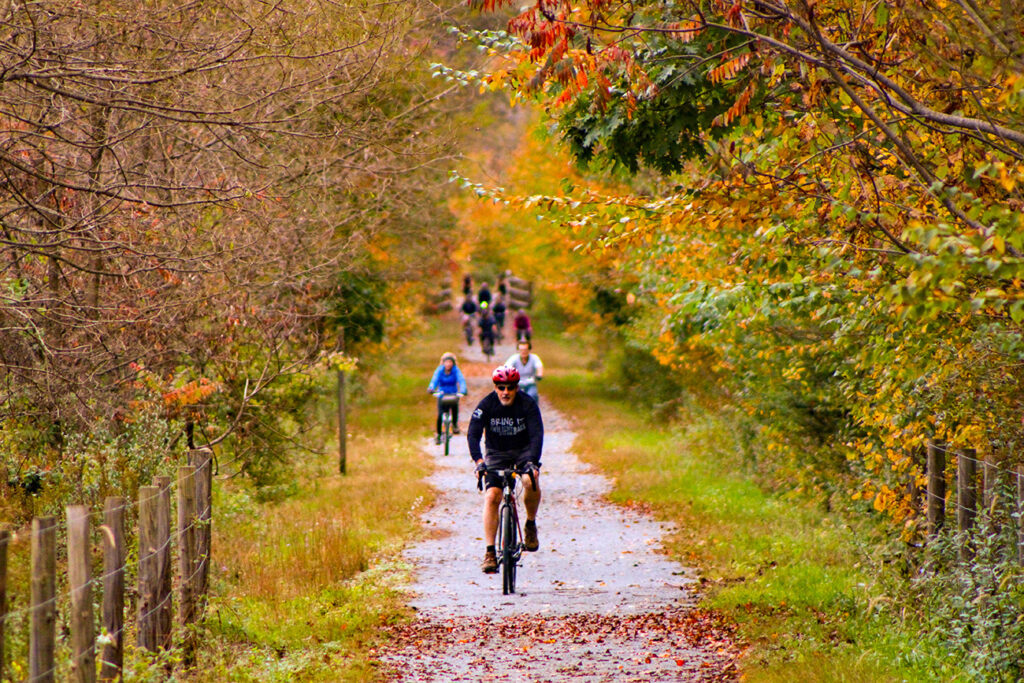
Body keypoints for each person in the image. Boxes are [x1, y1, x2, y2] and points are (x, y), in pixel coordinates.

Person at [468, 366, 543, 573]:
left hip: (523, 452)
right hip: (496, 454)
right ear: (495, 387)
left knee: (530, 480)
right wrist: (478, 462)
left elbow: (537, 435)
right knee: (492, 496)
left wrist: (532, 462)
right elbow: (473, 434)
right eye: (501, 387)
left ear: (517, 387)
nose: (506, 392)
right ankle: (490, 552)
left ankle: (530, 524)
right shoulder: (486, 405)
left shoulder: (528, 404)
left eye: (510, 387)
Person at [427, 352, 467, 443]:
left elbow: (461, 380)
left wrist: (463, 390)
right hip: (442, 394)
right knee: (440, 414)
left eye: (450, 362)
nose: (448, 364)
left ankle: (455, 425)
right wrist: (431, 388)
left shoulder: (456, 370)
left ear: (453, 363)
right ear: (443, 363)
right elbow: (434, 380)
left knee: (455, 408)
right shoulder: (439, 370)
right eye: (446, 362)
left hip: (453, 393)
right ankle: (438, 434)